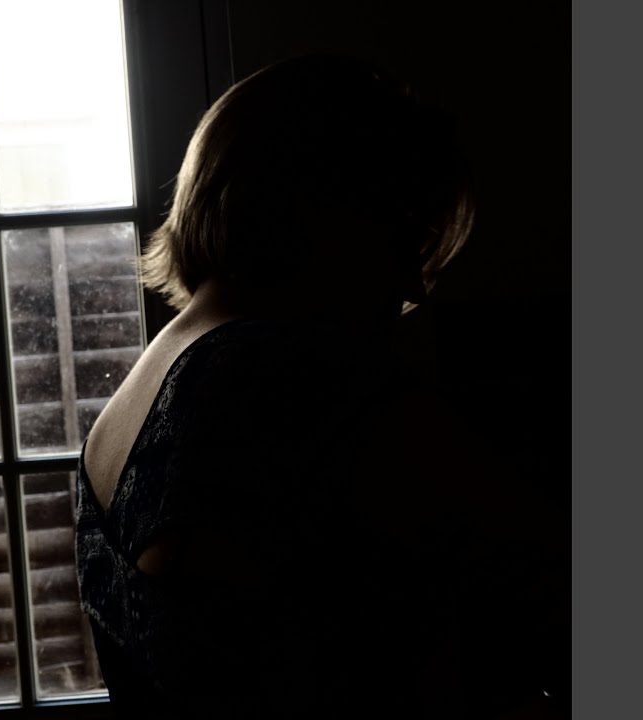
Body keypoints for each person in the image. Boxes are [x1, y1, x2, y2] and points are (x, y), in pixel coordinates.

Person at [72, 53, 538, 718]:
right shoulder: (289, 378)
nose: (414, 285)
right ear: (317, 210)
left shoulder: (147, 383)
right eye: (404, 235)